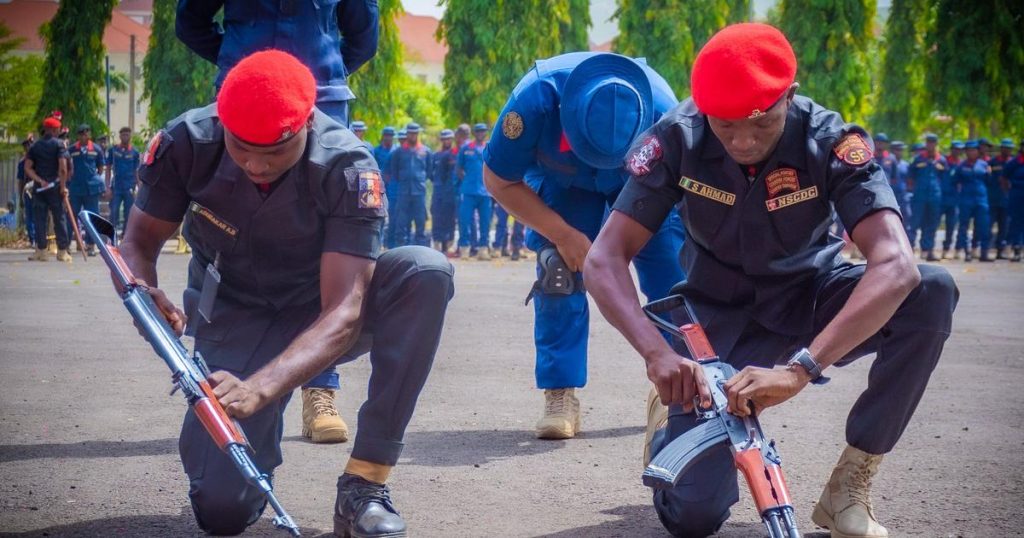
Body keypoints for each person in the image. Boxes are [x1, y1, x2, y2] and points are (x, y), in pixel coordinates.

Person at [584, 24, 958, 538]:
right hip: (716, 322)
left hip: (813, 302)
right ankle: (671, 418)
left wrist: (800, 369)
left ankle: (850, 484)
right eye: (726, 126)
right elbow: (604, 259)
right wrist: (658, 354)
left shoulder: (829, 141)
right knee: (692, 519)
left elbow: (895, 264)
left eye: (760, 125)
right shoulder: (677, 137)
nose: (742, 141)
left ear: (790, 96)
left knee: (930, 291)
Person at [120, 50, 453, 537]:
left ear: (304, 127)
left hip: (323, 312)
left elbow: (344, 309)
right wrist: (142, 291)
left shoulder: (346, 164)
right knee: (221, 511)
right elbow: (137, 242)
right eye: (240, 147)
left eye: (274, 151)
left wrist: (262, 387)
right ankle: (254, 466)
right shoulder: (188, 141)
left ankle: (365, 485)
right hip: (236, 316)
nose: (255, 163)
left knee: (425, 271)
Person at [483, 52, 686, 440]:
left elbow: (685, 190)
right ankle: (560, 392)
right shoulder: (535, 101)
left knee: (672, 278)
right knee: (557, 272)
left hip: (641, 186)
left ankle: (677, 390)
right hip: (564, 186)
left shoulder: (666, 113)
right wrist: (562, 234)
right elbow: (498, 179)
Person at [176, 0, 379, 124]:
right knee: (232, 188)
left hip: (321, 105)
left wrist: (328, 74)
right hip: (243, 99)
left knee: (330, 186)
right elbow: (191, 23)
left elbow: (363, 40)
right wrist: (240, 68)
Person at [24, 116, 70, 262]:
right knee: (59, 218)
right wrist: (63, 187)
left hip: (40, 188)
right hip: (55, 187)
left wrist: (39, 180)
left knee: (40, 219)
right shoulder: (59, 145)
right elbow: (63, 168)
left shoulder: (35, 146)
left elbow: (27, 168)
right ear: (55, 130)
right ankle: (62, 252)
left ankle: (41, 251)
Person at [387, 123, 432, 247]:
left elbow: (428, 171)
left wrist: (418, 180)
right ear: (407, 134)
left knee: (420, 221)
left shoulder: (426, 151)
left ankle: (421, 248)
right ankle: (400, 247)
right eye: (410, 133)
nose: (412, 135)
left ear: (418, 134)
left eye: (415, 133)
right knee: (401, 221)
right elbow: (394, 172)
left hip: (419, 192)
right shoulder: (399, 152)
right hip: (403, 192)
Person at [907, 133, 947, 261]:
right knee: (915, 223)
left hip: (935, 196)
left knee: (931, 223)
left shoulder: (941, 160)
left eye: (933, 142)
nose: (930, 145)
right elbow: (910, 176)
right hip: (919, 196)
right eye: (928, 142)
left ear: (936, 144)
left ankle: (927, 250)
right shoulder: (918, 159)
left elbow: (945, 179)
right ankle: (910, 250)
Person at [67, 124, 106, 256]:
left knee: (92, 217)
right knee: (71, 216)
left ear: (89, 135)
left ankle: (91, 245)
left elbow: (100, 168)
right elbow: (66, 166)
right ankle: (67, 245)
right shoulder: (72, 149)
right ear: (78, 136)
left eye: (86, 133)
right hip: (76, 188)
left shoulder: (96, 149)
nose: (84, 136)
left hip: (91, 189)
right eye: (81, 134)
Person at [457, 123, 493, 260]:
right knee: (464, 221)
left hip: (486, 192)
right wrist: (467, 179)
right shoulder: (466, 148)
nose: (480, 133)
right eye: (477, 131)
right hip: (468, 191)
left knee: (485, 222)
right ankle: (464, 249)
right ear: (474, 133)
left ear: (485, 133)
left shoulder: (490, 148)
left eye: (483, 131)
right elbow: (458, 169)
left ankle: (483, 249)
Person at [955, 140, 993, 262]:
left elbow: (989, 182)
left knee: (984, 227)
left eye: (974, 150)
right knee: (964, 227)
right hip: (966, 200)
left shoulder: (984, 165)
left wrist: (990, 173)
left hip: (981, 200)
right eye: (969, 150)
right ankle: (967, 253)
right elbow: (954, 181)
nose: (971, 152)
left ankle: (984, 253)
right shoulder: (961, 166)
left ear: (978, 151)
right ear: (966, 152)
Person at [106, 127, 141, 235]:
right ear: (120, 136)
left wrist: (139, 187)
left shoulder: (135, 152)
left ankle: (125, 235)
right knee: (114, 212)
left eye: (127, 134)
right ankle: (111, 235)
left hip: (129, 187)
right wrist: (107, 187)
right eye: (123, 134)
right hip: (116, 186)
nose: (125, 136)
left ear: (130, 136)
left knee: (129, 214)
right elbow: (107, 168)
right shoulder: (113, 150)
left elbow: (137, 171)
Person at [430, 129, 459, 254]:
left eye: (449, 138)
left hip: (450, 192)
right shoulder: (435, 155)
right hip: (437, 191)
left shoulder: (455, 154)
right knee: (437, 217)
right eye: (444, 139)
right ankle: (437, 242)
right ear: (441, 140)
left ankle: (448, 243)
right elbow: (430, 173)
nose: (447, 141)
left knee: (450, 218)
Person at [987, 138, 1013, 258]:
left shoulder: (1013, 162)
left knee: (1004, 227)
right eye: (1004, 147)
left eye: (1009, 148)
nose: (1006, 150)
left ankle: (1000, 250)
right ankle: (985, 249)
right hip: (993, 199)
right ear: (1001, 148)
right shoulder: (993, 162)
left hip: (1007, 200)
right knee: (988, 226)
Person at [940, 141, 964, 259]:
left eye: (959, 149)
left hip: (954, 199)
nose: (957, 151)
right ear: (951, 149)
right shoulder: (943, 161)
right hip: (941, 198)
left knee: (951, 226)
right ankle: (929, 250)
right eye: (955, 148)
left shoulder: (961, 164)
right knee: (933, 225)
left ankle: (947, 249)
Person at [1004, 139, 1024, 262]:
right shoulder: (1014, 162)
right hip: (1017, 195)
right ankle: (1016, 248)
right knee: (1016, 222)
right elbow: (1004, 178)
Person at [888, 140, 912, 238]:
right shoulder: (887, 163)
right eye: (897, 150)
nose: (900, 152)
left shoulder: (906, 165)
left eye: (901, 150)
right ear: (893, 150)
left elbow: (910, 181)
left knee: (907, 217)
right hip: (890, 196)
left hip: (903, 196)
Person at [16, 139, 36, 243]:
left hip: (39, 188)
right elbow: (20, 180)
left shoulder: (39, 159)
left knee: (39, 214)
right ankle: (33, 239)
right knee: (29, 215)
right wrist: (20, 197)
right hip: (28, 190)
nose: (28, 147)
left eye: (30, 145)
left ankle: (39, 238)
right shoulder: (22, 162)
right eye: (26, 146)